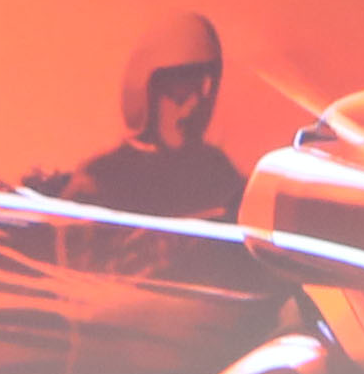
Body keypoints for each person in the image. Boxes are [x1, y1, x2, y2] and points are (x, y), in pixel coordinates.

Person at [64, 13, 244, 222]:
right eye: (180, 90)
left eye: (203, 87)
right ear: (149, 91)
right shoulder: (101, 179)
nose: (194, 104)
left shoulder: (218, 173)